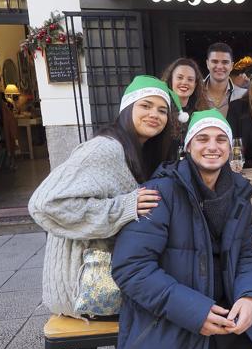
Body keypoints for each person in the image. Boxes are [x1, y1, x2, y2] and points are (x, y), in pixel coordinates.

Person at [111, 109, 252, 349]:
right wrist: (194, 311)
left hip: (223, 319)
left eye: (220, 139)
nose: (212, 146)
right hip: (172, 323)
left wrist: (249, 295)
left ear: (230, 148)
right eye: (202, 138)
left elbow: (244, 254)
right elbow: (130, 268)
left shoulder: (240, 196)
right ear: (188, 146)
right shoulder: (160, 192)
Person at [28, 75, 184, 317]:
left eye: (162, 111)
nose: (155, 114)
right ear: (127, 108)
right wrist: (124, 207)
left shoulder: (136, 150)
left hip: (104, 278)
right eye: (145, 106)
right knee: (173, 303)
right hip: (84, 288)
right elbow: (45, 204)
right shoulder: (105, 148)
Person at [204, 42, 247, 117]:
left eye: (225, 62)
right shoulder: (195, 89)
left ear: (231, 66)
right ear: (207, 64)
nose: (220, 66)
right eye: (214, 61)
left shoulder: (243, 95)